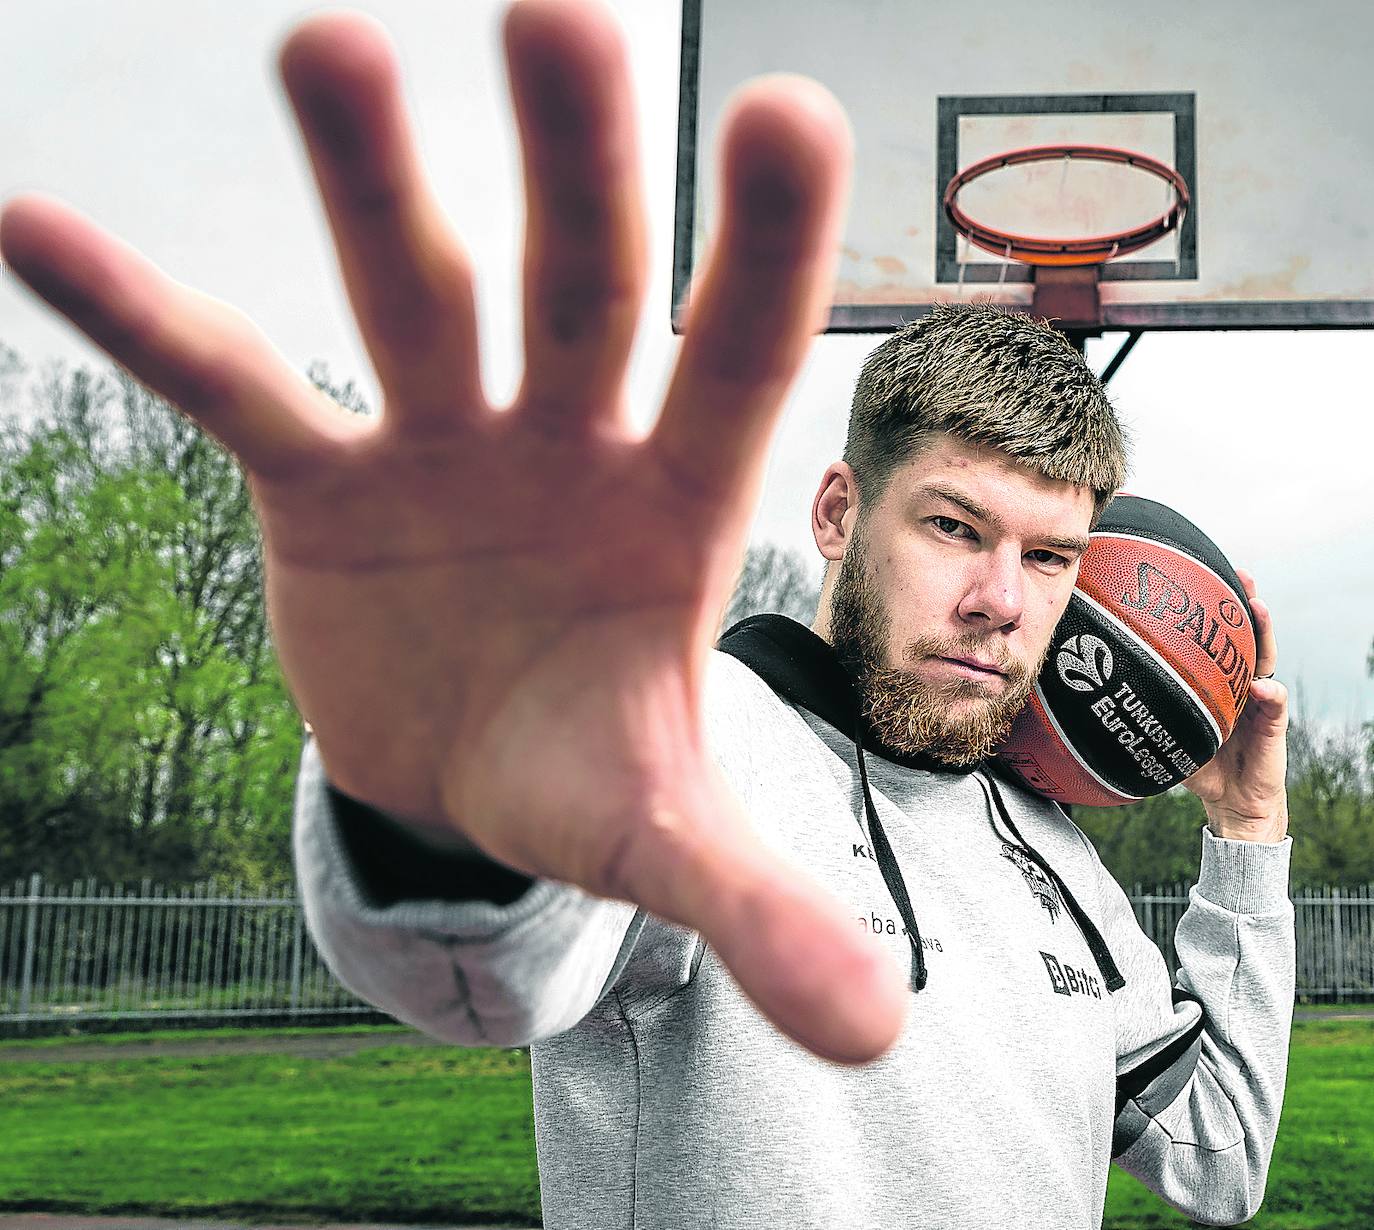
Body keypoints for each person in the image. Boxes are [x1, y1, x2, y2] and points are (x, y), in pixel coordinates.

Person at [0, 2, 1294, 1228]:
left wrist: (1244, 835)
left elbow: (1220, 1158)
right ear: (839, 512)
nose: (999, 600)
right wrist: (438, 785)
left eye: (1049, 555)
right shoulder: (690, 740)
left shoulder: (1052, 853)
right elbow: (485, 969)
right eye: (952, 527)